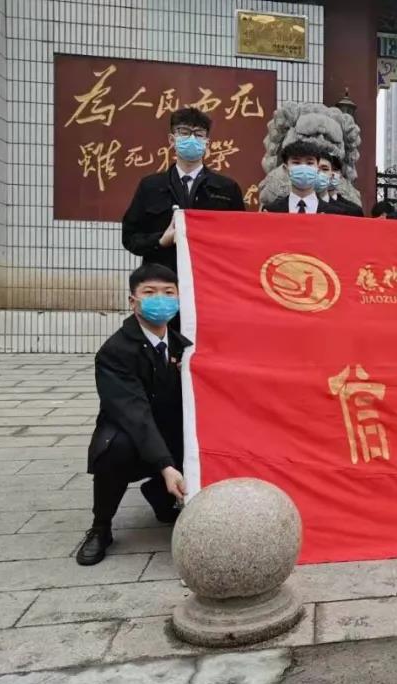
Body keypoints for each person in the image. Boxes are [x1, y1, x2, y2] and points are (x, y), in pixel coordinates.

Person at [76, 264, 189, 565]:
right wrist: (166, 465)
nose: (160, 300)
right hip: (131, 432)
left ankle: (160, 494)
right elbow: (134, 414)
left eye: (169, 292)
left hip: (171, 432)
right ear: (133, 301)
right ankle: (101, 527)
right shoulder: (115, 351)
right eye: (149, 292)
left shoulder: (184, 345)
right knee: (117, 447)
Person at [121, 108, 244, 273]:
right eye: (184, 133)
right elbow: (130, 237)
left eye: (199, 134)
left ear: (207, 142)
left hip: (209, 277)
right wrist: (160, 240)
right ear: (172, 139)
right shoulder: (151, 186)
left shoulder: (227, 188)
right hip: (163, 278)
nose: (192, 139)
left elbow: (240, 238)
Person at [261, 141, 348, 215]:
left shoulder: (335, 213)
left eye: (309, 163)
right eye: (296, 162)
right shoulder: (271, 211)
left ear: (317, 169)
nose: (303, 167)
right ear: (285, 169)